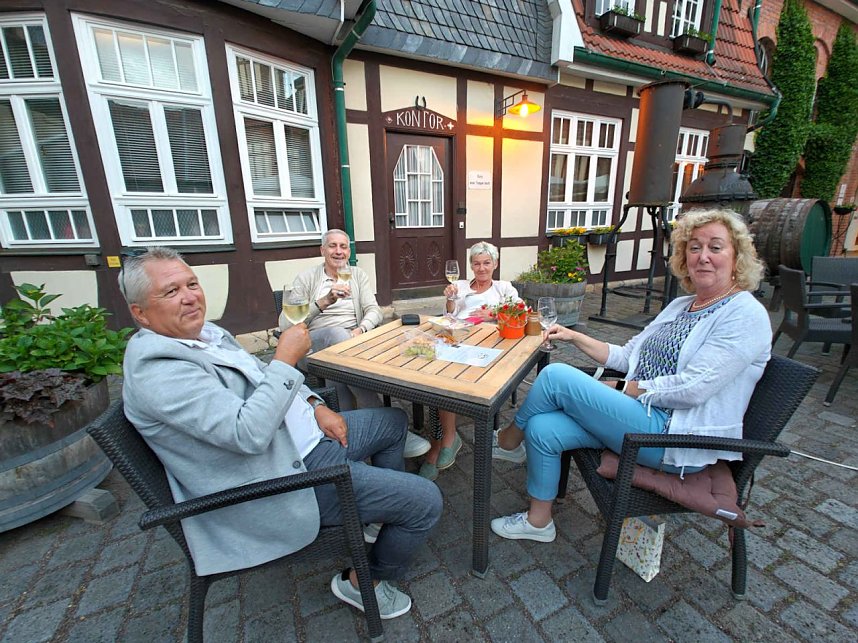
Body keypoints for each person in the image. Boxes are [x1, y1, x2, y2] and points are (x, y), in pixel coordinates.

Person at [120, 247, 442, 619]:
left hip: (305, 438)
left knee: (393, 422)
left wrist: (316, 404)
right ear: (140, 312)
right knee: (425, 500)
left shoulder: (205, 335)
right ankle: (361, 583)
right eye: (171, 291)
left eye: (191, 283)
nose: (190, 296)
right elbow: (247, 434)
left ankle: (373, 516)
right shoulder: (160, 373)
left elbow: (259, 376)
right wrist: (286, 360)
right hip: (285, 477)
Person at [490, 208, 770, 542]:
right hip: (638, 419)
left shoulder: (744, 313)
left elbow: (695, 388)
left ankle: (508, 441)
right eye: (694, 247)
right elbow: (627, 355)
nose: (703, 257)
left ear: (737, 256)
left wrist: (626, 388)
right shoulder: (681, 307)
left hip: (671, 434)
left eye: (715, 247)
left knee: (555, 377)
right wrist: (575, 336)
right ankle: (539, 522)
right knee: (543, 427)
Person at [280, 229, 430, 458]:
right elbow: (284, 323)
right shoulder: (307, 278)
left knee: (340, 361)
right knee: (338, 337)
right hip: (313, 345)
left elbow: (373, 310)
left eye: (343, 246)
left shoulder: (357, 275)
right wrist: (325, 300)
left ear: (349, 252)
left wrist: (361, 329)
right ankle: (387, 424)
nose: (338, 251)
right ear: (323, 250)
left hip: (352, 342)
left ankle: (348, 437)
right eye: (332, 246)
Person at [418, 241, 520, 480]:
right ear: (471, 266)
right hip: (457, 337)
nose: (482, 268)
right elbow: (450, 315)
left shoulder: (504, 288)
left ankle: (441, 444)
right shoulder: (461, 285)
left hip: (487, 344)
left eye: (486, 263)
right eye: (476, 263)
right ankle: (442, 442)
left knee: (444, 376)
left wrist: (493, 314)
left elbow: (519, 311)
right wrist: (451, 300)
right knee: (433, 372)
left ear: (495, 264)